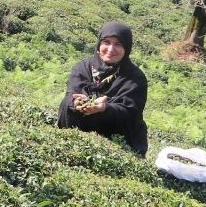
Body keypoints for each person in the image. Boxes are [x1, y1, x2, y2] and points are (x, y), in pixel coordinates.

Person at [57, 21, 148, 156]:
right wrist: (77, 103)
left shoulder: (135, 78)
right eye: (106, 42)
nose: (111, 49)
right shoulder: (83, 68)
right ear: (99, 44)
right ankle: (69, 145)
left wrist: (105, 108)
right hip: (84, 128)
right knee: (67, 102)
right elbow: (73, 93)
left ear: (127, 48)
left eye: (118, 44)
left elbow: (130, 111)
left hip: (117, 137)